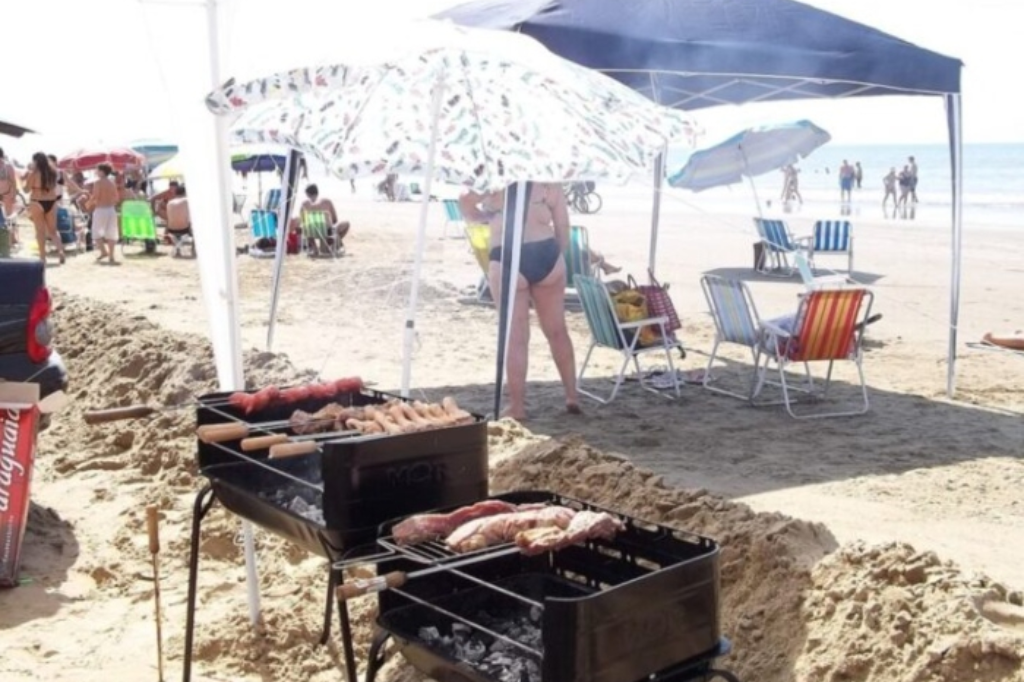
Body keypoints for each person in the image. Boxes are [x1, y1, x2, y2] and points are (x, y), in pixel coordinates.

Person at [459, 183, 581, 420]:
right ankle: (572, 395)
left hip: (506, 255)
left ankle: (517, 406)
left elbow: (464, 200)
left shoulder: (494, 178)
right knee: (557, 331)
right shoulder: (549, 182)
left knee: (515, 337)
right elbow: (563, 227)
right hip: (546, 252)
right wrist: (556, 256)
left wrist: (485, 215)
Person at [23, 153, 66, 265]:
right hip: (51, 201)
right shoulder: (53, 172)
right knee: (53, 230)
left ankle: (43, 257)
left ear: (36, 161)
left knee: (40, 231)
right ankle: (60, 251)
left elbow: (26, 190)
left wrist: (24, 182)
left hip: (37, 201)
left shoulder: (34, 173)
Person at [300, 183, 350, 256]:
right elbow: (335, 220)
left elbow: (303, 221)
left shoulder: (304, 204)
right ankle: (332, 244)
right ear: (317, 192)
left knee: (306, 226)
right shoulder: (326, 201)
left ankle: (315, 248)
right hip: (327, 231)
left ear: (307, 194)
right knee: (347, 224)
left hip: (311, 232)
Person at [88, 163, 120, 264]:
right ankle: (111, 255)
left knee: (96, 232)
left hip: (101, 209)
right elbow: (116, 198)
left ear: (102, 171)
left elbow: (96, 196)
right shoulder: (111, 182)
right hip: (111, 209)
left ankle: (103, 251)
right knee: (111, 233)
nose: (95, 171)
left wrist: (88, 204)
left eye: (97, 170)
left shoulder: (98, 182)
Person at [0, 149, 19, 248]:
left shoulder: (8, 166)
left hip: (6, 195)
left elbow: (13, 182)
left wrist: (14, 196)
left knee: (8, 219)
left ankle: (12, 239)